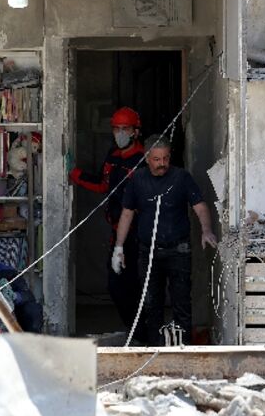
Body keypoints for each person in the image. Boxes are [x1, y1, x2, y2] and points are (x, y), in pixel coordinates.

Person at [113, 135, 217, 346]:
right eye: (157, 159)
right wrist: (118, 247)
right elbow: (126, 214)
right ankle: (155, 349)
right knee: (152, 304)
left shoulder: (181, 178)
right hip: (148, 251)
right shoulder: (138, 180)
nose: (162, 164)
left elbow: (200, 206)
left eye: (166, 158)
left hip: (178, 250)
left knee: (181, 303)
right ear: (147, 158)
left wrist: (206, 230)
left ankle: (184, 349)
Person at [69, 106, 146, 327]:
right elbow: (103, 185)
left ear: (135, 131)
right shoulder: (113, 156)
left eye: (125, 129)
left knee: (135, 285)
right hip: (117, 232)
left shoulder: (143, 160)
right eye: (116, 129)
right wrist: (75, 174)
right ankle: (135, 329)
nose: (120, 133)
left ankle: (142, 332)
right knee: (115, 285)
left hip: (138, 234)